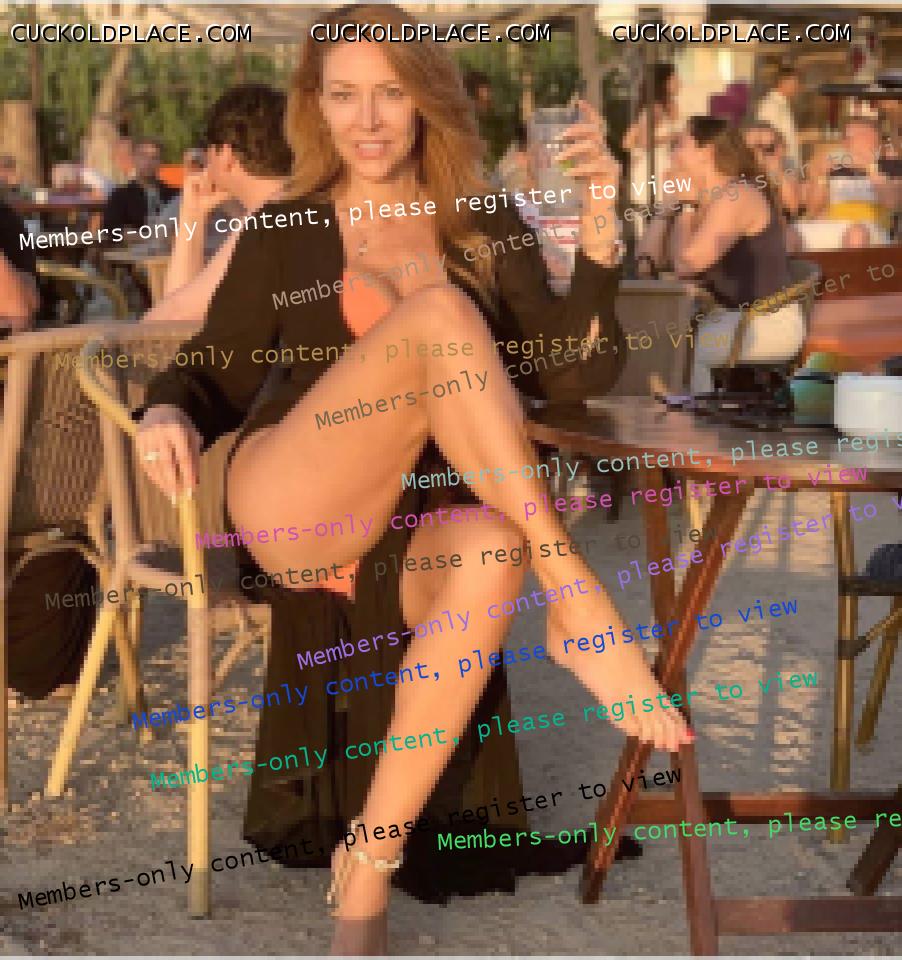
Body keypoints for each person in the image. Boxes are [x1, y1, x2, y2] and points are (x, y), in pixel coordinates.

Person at [136, 4, 692, 953]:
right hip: (297, 497)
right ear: (315, 106)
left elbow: (569, 376)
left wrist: (602, 232)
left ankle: (370, 867)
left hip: (415, 523)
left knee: (493, 546)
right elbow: (212, 372)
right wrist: (163, 408)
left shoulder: (481, 221)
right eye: (343, 95)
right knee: (438, 315)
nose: (367, 119)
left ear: (425, 100)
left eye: (390, 93)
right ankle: (577, 599)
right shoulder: (289, 228)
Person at [665, 115, 805, 393]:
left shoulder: (737, 195)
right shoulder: (708, 199)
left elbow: (686, 264)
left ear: (706, 152)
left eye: (680, 143)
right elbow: (663, 262)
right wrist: (675, 209)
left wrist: (685, 208)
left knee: (685, 348)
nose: (673, 153)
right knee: (659, 338)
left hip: (766, 324)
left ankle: (694, 419)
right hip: (726, 318)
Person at [143, 85, 292, 326]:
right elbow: (179, 312)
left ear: (225, 154)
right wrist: (194, 214)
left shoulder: (270, 221)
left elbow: (169, 321)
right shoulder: (295, 205)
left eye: (207, 148)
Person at [805, 116, 897, 247]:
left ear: (873, 139)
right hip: (833, 227)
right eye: (845, 136)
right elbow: (813, 209)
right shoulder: (833, 166)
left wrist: (870, 168)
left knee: (856, 234)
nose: (846, 142)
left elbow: (892, 202)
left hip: (872, 229)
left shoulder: (890, 167)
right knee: (790, 235)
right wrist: (820, 177)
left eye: (854, 136)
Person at [623, 62, 682, 232]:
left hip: (664, 166)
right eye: (674, 78)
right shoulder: (655, 109)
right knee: (652, 218)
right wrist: (673, 136)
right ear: (664, 82)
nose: (679, 82)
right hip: (651, 167)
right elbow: (639, 141)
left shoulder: (670, 107)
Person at [102, 138, 177, 234]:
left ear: (161, 162)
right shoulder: (120, 195)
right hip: (135, 242)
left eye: (154, 158)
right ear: (134, 159)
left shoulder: (173, 196)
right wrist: (139, 236)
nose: (148, 162)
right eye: (143, 156)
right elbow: (110, 228)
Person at [742, 122, 804, 220]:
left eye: (769, 148)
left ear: (783, 148)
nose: (760, 154)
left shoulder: (788, 169)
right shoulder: (738, 175)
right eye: (753, 149)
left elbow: (793, 207)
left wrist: (777, 170)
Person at [755, 64, 801, 170]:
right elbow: (767, 139)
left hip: (788, 158)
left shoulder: (782, 103)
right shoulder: (770, 105)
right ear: (784, 82)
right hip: (780, 160)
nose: (797, 87)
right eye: (795, 83)